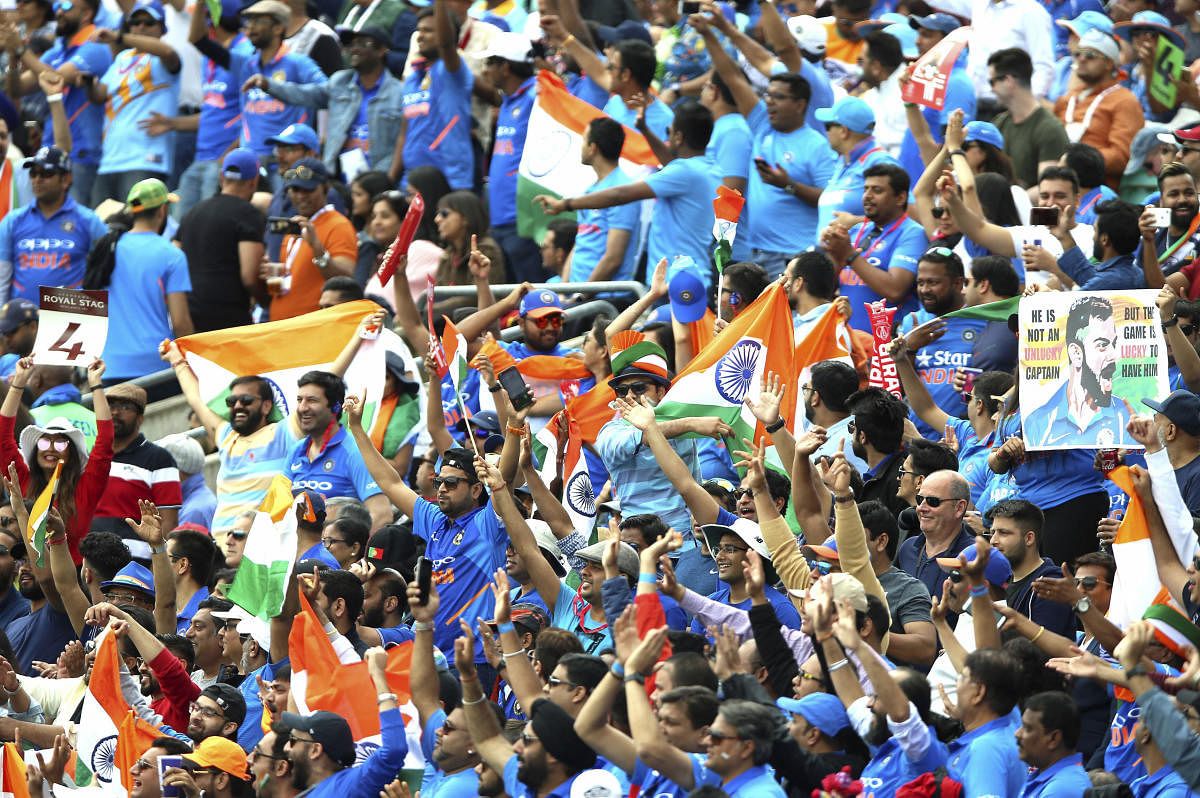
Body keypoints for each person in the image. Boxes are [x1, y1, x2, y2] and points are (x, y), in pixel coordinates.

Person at [696, 14, 834, 279]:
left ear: (800, 104)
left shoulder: (817, 146)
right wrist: (708, 34)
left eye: (778, 97)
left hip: (794, 259)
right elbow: (732, 76)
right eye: (768, 95)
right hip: (757, 254)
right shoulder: (762, 126)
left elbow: (830, 200)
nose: (769, 102)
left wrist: (789, 185)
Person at [0, 357, 111, 565]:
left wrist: (96, 384)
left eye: (60, 443)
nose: (51, 449)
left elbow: (105, 442)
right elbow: (2, 436)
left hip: (76, 579)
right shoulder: (23, 480)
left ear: (71, 454)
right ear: (35, 451)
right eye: (44, 443)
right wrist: (18, 384)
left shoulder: (86, 488)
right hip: (31, 576)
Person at [3, 0, 114, 203]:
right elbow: (17, 88)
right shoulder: (56, 51)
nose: (60, 11)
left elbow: (55, 79)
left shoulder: (96, 47)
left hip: (81, 154)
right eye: (58, 6)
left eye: (68, 7)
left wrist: (20, 49)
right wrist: (12, 54)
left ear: (87, 14)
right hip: (49, 150)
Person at [258, 25, 402, 178]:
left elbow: (402, 144)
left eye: (362, 43)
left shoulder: (399, 93)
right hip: (337, 179)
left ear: (381, 50)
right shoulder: (340, 83)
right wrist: (269, 85)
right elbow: (304, 94)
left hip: (377, 179)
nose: (354, 49)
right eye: (352, 44)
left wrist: (388, 180)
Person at [86, 0, 182, 205]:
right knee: (103, 230)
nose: (140, 27)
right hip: (110, 160)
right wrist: (86, 81)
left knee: (136, 225)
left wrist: (119, 36)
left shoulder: (163, 57)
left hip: (145, 159)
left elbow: (167, 52)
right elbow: (99, 95)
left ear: (162, 28)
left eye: (148, 22)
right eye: (135, 22)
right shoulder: (122, 57)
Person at [278, 649, 408, 796]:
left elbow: (394, 749)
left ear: (315, 750)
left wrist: (378, 676)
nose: (286, 748)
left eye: (293, 741)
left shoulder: (353, 782)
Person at [101, 179, 194, 383]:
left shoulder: (108, 249)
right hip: (157, 366)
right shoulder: (172, 254)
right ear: (163, 210)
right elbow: (180, 322)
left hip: (109, 366)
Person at [821, 162, 928, 332]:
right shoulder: (855, 232)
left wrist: (849, 255)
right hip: (849, 342)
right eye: (865, 189)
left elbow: (895, 290)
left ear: (900, 198)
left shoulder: (913, 233)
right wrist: (833, 254)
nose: (867, 196)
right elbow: (825, 291)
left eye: (877, 190)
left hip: (887, 345)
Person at [173, 148, 267, 332]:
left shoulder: (192, 212)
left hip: (190, 315)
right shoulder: (248, 214)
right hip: (229, 320)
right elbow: (249, 277)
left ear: (222, 177)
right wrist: (267, 301)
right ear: (254, 181)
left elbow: (174, 262)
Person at [1024, 295, 1134, 449]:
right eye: (1102, 345)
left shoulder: (1126, 418)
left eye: (1114, 344)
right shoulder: (1039, 422)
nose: (1114, 355)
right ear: (1076, 353)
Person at [0, 145, 106, 304]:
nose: (37, 179)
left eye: (46, 173)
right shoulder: (13, 221)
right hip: (23, 323)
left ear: (66, 179)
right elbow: (2, 277)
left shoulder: (89, 221)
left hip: (70, 320)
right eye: (33, 173)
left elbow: (106, 273)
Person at [285, 370, 389, 529]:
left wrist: (351, 551)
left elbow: (381, 515)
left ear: (335, 407)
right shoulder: (296, 451)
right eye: (299, 400)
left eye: (312, 400)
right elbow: (281, 508)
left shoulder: (355, 451)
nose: (302, 408)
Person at [90, 382, 182, 559]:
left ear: (140, 418)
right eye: (111, 406)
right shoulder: (93, 455)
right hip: (91, 560)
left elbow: (168, 521)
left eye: (125, 407)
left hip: (135, 565)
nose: (115, 412)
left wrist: (159, 566)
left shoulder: (159, 458)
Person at [393, 0, 474, 190]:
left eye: (429, 30)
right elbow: (404, 135)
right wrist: (391, 177)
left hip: (449, 181)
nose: (420, 36)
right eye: (419, 30)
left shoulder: (452, 72)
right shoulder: (412, 79)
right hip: (411, 182)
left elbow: (446, 44)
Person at [480, 32, 542, 282]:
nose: (485, 70)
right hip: (502, 216)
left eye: (489, 63)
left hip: (524, 218)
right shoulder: (509, 101)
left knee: (532, 291)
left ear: (505, 66)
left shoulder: (537, 97)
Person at [267, 158, 357, 320]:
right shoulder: (294, 227)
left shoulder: (339, 225)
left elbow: (345, 279)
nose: (301, 196)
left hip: (315, 327)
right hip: (285, 328)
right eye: (294, 189)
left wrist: (317, 248)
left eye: (308, 190)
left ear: (326, 189)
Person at [1053, 29, 1144, 188]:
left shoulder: (1125, 101)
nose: (1081, 59)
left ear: (1109, 63)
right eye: (1077, 54)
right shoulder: (1065, 100)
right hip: (1055, 182)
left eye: (1089, 55)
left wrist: (1073, 162)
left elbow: (1121, 157)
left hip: (1097, 190)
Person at [816, 96, 900, 235]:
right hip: (829, 252)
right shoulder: (843, 160)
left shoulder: (880, 161)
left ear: (843, 131)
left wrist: (857, 222)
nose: (826, 133)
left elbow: (907, 213)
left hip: (861, 253)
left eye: (828, 126)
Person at [989, 50, 1067, 190]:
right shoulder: (998, 123)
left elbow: (1048, 189)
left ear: (1008, 81)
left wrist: (1012, 200)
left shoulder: (1050, 129)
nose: (991, 90)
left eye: (992, 82)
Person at [1016, 691, 1092, 796]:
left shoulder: (1061, 788)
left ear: (1054, 739)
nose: (1017, 734)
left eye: (1027, 728)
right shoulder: (1048, 778)